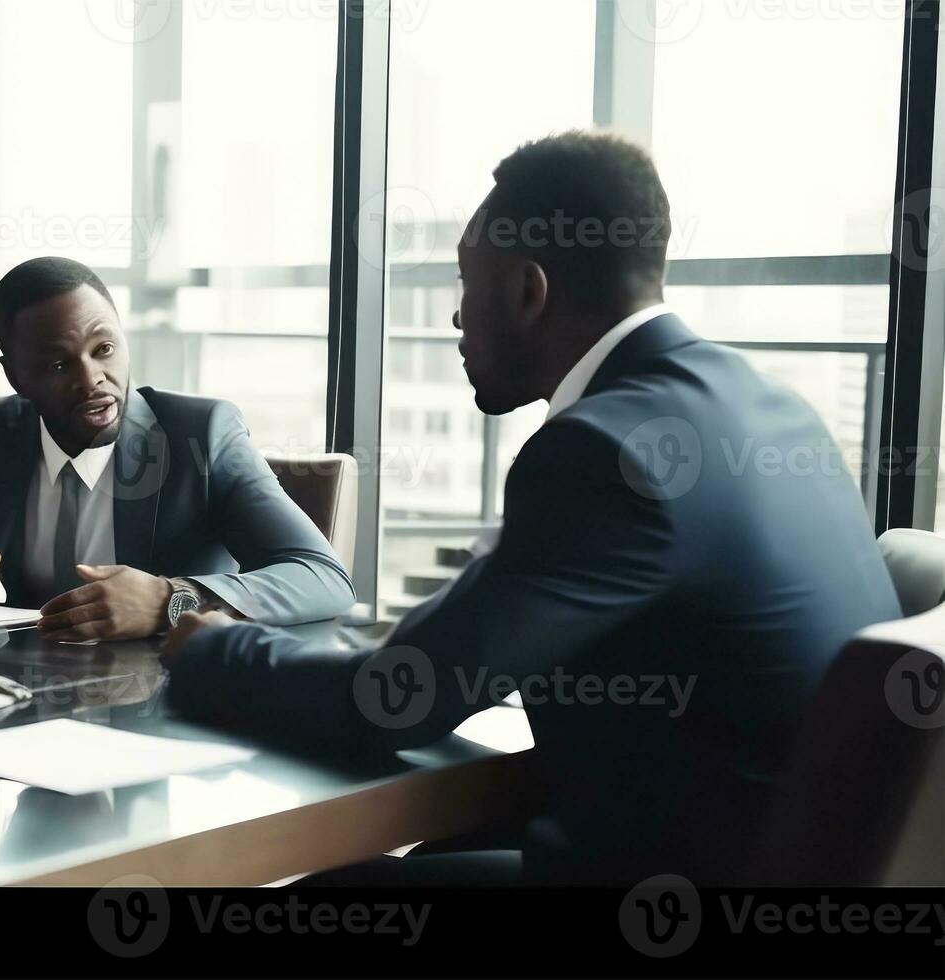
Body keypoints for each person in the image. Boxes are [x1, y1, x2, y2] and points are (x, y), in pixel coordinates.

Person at [162, 132, 902, 884]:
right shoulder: (769, 405)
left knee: (337, 894)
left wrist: (214, 648)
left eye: (463, 284)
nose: (455, 318)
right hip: (781, 852)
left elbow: (394, 700)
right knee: (431, 854)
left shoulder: (605, 452)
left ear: (526, 290)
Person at [0, 257, 354, 642]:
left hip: (173, 713)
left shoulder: (202, 435)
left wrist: (169, 600)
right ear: (14, 374)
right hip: (25, 713)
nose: (93, 380)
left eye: (104, 349)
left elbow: (322, 577)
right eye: (58, 364)